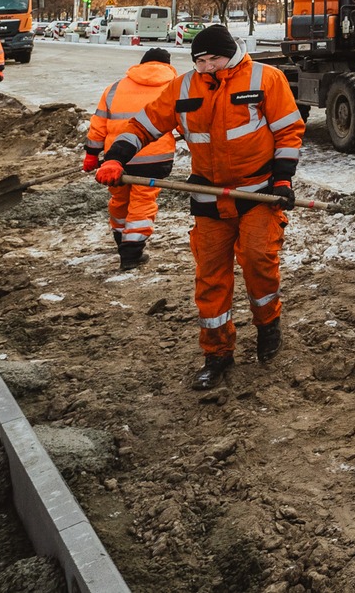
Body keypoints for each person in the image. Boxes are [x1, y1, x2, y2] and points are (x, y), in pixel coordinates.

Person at [104, 24, 305, 390]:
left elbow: (288, 131)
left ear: (232, 53)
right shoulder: (183, 86)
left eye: (215, 58)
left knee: (260, 261)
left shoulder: (266, 78)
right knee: (210, 278)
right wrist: (117, 157)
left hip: (256, 193)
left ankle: (267, 326)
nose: (208, 66)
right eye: (201, 60)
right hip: (208, 197)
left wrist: (282, 179)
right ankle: (217, 355)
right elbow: (144, 124)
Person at [83, 47, 180, 270]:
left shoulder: (115, 88)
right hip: (155, 158)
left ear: (141, 64)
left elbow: (98, 124)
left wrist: (91, 154)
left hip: (116, 160)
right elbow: (185, 122)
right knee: (143, 202)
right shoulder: (173, 87)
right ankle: (131, 253)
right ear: (167, 65)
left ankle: (120, 238)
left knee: (119, 200)